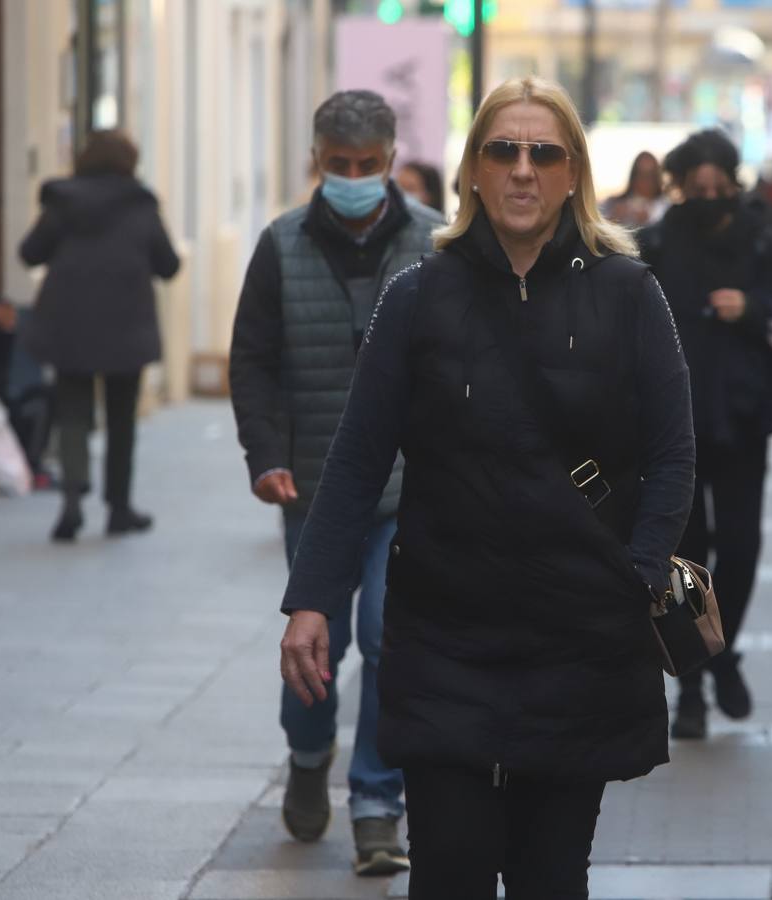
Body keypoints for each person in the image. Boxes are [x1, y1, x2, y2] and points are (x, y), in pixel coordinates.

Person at [278, 76, 695, 898]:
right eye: (503, 150)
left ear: (574, 172)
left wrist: (638, 575)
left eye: (545, 153)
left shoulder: (628, 294)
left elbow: (673, 456)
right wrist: (313, 599)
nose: (523, 170)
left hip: (578, 640)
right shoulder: (418, 297)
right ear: (473, 169)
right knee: (450, 872)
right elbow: (359, 458)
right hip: (446, 641)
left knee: (549, 876)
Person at [229, 90, 441, 877]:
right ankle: (310, 752)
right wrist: (266, 454)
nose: (352, 178)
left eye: (367, 166)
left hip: (406, 487)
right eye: (338, 165)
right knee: (319, 641)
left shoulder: (433, 243)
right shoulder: (281, 245)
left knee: (392, 636)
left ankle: (379, 805)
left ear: (390, 161)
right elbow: (252, 360)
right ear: (315, 160)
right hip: (315, 486)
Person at [639, 129, 772, 742]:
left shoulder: (763, 238)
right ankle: (692, 686)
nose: (711, 198)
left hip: (743, 417)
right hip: (674, 428)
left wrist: (755, 309)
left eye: (721, 188)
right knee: (686, 560)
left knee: (739, 550)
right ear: (680, 189)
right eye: (698, 189)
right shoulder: (658, 244)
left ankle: (725, 653)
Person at [20, 130, 180, 542]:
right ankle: (118, 507)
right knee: (121, 419)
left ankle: (72, 499)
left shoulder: (62, 201)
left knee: (72, 412)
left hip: (69, 323)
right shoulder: (140, 202)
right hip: (127, 326)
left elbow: (30, 251)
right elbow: (168, 263)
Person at [601, 150, 667, 227]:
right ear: (633, 176)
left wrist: (649, 222)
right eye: (641, 174)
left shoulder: (666, 207)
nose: (645, 181)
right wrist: (613, 219)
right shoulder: (612, 203)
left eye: (650, 175)